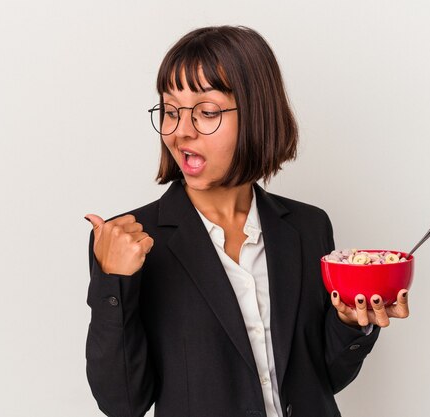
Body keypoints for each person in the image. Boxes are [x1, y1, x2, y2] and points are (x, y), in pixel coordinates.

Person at [84, 25, 409, 417]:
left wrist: (352, 323)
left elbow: (322, 377)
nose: (181, 131)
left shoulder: (308, 227)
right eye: (170, 111)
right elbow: (124, 403)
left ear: (257, 114)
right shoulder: (132, 240)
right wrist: (113, 282)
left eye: (206, 112)